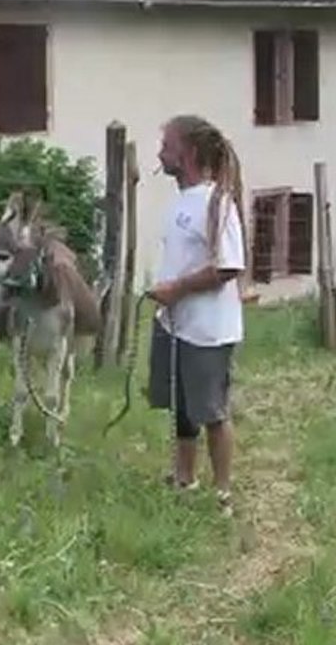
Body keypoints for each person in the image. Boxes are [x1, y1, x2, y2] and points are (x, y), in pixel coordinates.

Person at [147, 114, 247, 518]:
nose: (160, 154)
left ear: (187, 152)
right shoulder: (180, 202)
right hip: (173, 325)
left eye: (167, 147)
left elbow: (228, 267)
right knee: (181, 407)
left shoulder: (217, 202)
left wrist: (176, 289)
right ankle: (184, 480)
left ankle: (222, 494)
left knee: (212, 413)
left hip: (208, 330)